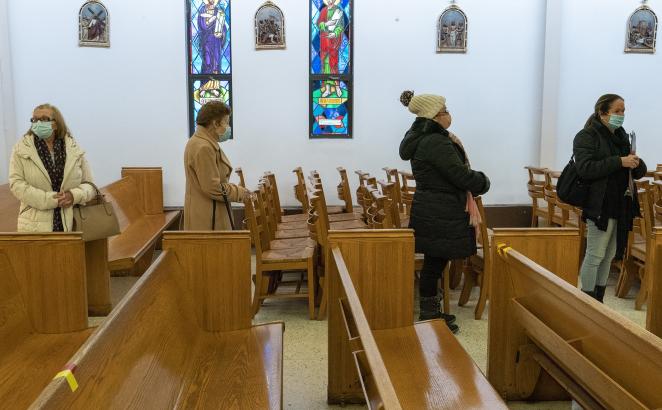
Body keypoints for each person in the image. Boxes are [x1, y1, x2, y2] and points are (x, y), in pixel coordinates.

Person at [399, 91, 490, 333]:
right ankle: (429, 315)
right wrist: (482, 181)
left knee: (434, 262)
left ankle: (432, 313)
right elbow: (458, 174)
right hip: (440, 209)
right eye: (445, 111)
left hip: (434, 207)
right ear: (434, 116)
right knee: (434, 264)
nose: (449, 114)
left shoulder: (424, 138)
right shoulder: (435, 142)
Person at [574, 94, 647, 302]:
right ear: (602, 112)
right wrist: (619, 161)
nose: (622, 115)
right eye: (617, 111)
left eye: (623, 111)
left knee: (609, 255)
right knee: (595, 254)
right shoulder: (587, 136)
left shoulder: (622, 135)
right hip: (599, 204)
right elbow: (585, 168)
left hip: (620, 204)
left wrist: (636, 163)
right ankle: (586, 300)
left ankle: (598, 299)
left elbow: (633, 169)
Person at [9, 103, 96, 232]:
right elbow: (16, 185)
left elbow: (90, 185)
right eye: (35, 119)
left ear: (56, 124)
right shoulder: (21, 149)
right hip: (34, 225)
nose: (38, 123)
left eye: (44, 119)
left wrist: (73, 196)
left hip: (72, 223)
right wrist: (52, 200)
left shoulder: (73, 149)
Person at [184, 101, 247, 230]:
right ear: (215, 123)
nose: (228, 127)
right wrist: (240, 192)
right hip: (208, 217)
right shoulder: (203, 147)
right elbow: (212, 187)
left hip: (210, 210)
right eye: (226, 122)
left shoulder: (203, 142)